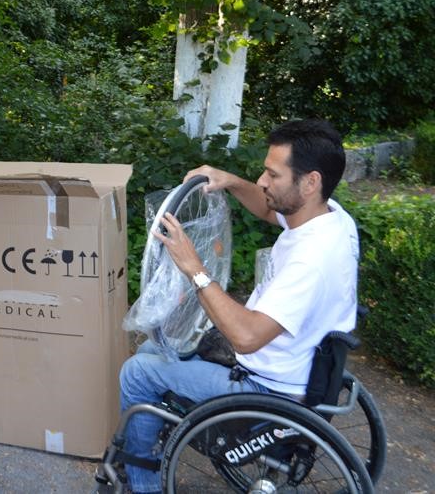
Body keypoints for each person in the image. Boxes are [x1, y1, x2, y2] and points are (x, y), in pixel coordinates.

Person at [119, 119, 359, 494]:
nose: (262, 181)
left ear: (310, 182)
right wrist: (229, 180)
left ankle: (143, 484)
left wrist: (193, 266)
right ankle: (156, 436)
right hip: (297, 366)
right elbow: (269, 210)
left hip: (267, 388)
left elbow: (246, 337)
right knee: (155, 349)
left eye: (273, 174)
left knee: (137, 373)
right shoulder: (329, 219)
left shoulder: (312, 260)